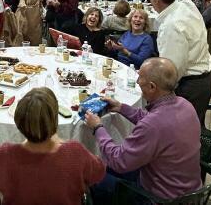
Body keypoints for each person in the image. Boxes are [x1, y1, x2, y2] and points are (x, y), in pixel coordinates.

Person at [85, 58, 202, 204]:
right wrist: (121, 107)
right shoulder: (186, 105)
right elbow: (152, 118)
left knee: (92, 174)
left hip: (161, 199)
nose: (138, 81)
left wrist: (97, 127)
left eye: (140, 78)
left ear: (152, 87)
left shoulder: (152, 126)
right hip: (190, 191)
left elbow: (118, 161)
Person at [0, 88, 105, 205]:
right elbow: (99, 172)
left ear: (18, 121)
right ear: (54, 119)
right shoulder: (75, 152)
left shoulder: (4, 155)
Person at [147, 0, 211, 123]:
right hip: (204, 78)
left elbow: (172, 72)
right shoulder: (185, 3)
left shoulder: (171, 26)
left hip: (190, 86)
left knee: (182, 136)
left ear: (155, 0)